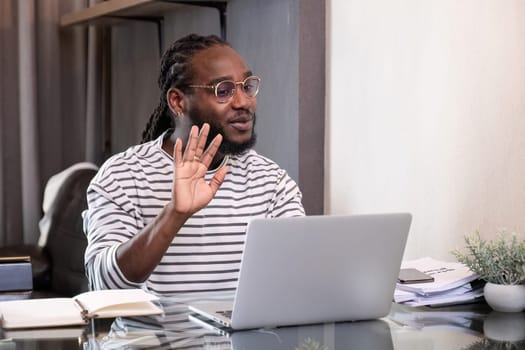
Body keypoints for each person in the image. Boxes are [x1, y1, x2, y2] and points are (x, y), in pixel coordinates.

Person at [83, 34, 305, 295]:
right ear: (178, 101)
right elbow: (105, 284)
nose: (243, 102)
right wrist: (175, 214)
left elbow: (299, 275)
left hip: (246, 336)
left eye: (246, 86)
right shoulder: (122, 175)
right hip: (150, 336)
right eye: (223, 90)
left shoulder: (272, 182)